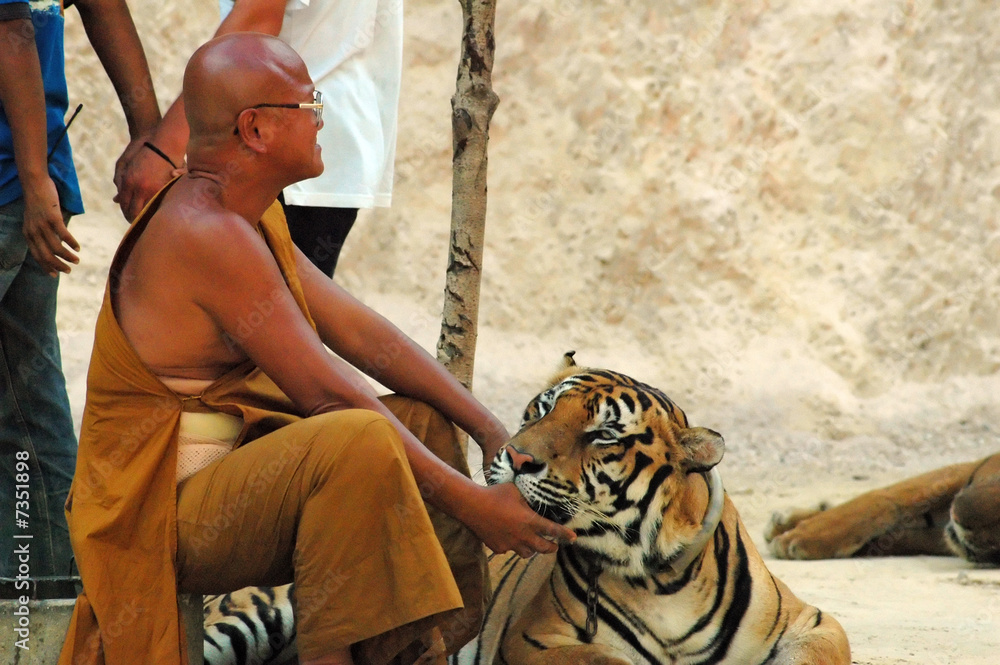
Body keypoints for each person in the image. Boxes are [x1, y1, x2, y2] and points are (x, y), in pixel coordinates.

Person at [59, 33, 573, 665]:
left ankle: (416, 649)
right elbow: (327, 393)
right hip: (157, 519)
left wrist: (492, 430)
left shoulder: (249, 212)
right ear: (255, 129)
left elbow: (363, 335)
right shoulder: (202, 231)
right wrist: (475, 505)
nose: (322, 120)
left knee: (420, 421)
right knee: (356, 438)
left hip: (230, 481)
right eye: (311, 107)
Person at [0, 0, 160, 579]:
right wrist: (148, 132)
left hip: (19, 183)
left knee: (28, 415)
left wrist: (36, 179)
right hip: (27, 183)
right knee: (29, 416)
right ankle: (53, 602)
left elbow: (12, 28)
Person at [114, 0, 402, 277]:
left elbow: (258, 18)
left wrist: (164, 149)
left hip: (280, 154)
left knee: (266, 306)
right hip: (329, 141)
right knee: (290, 303)